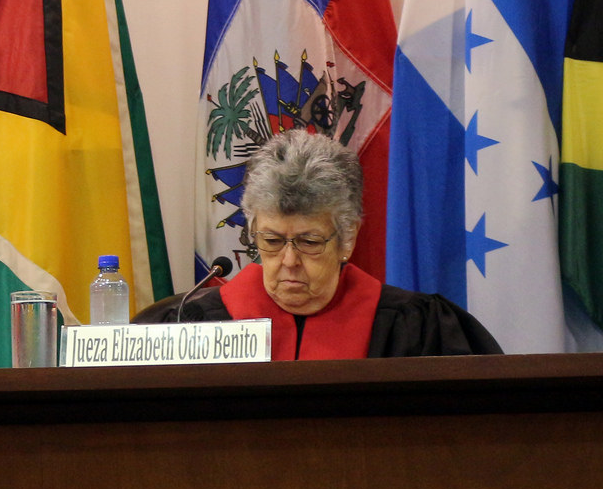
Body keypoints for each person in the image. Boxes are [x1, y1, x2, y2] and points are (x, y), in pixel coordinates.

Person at [135, 128, 501, 357]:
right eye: (272, 240)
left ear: (348, 238)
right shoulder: (187, 323)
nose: (288, 260)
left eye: (309, 241)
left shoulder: (416, 328)